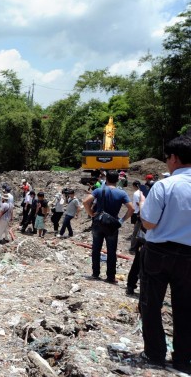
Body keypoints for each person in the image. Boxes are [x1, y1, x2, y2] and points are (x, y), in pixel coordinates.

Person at [138, 135, 191, 373]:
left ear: (174, 158)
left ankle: (156, 354)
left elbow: (148, 222)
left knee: (151, 304)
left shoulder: (164, 186)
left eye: (167, 158)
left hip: (159, 252)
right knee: (186, 307)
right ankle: (183, 359)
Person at [82, 170, 134, 283]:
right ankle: (110, 277)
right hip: (112, 225)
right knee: (111, 251)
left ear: (106, 179)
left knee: (96, 249)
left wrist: (91, 214)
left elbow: (85, 201)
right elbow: (132, 209)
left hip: (98, 222)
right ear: (118, 180)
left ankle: (95, 273)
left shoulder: (99, 190)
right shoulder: (122, 193)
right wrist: (122, 220)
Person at [129, 180, 145, 253]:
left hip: (136, 212)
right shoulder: (143, 192)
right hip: (140, 212)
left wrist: (141, 208)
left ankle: (133, 248)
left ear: (134, 186)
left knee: (135, 231)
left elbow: (137, 203)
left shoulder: (136, 193)